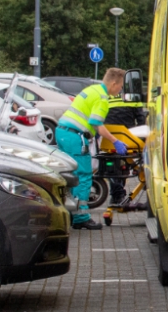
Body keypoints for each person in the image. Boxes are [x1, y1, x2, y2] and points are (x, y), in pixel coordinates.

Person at [55, 68, 128, 230]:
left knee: (69, 176)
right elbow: (96, 123)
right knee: (83, 175)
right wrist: (115, 141)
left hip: (62, 132)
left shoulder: (91, 89)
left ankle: (71, 212)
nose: (120, 89)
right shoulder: (102, 98)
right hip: (75, 137)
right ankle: (81, 217)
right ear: (114, 83)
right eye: (121, 86)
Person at [104, 92, 146, 208]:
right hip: (128, 140)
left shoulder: (105, 95)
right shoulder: (133, 96)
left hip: (108, 140)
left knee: (113, 167)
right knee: (129, 164)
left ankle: (117, 196)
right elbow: (141, 119)